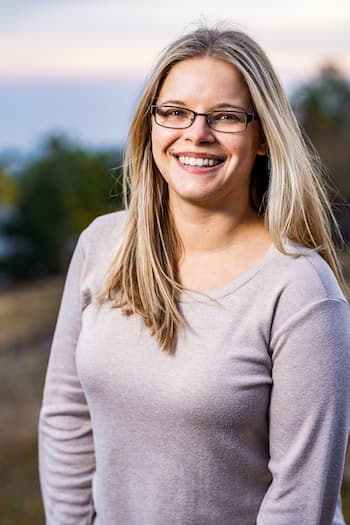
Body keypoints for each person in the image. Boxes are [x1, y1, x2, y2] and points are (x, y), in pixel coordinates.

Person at [38, 24, 350, 525]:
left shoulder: (301, 291)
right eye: (176, 111)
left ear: (264, 137)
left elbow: (300, 501)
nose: (196, 133)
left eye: (225, 116)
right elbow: (65, 419)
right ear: (151, 125)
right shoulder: (102, 245)